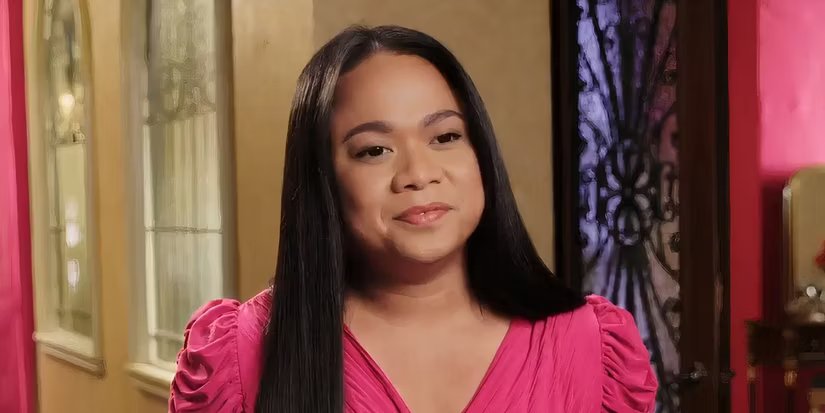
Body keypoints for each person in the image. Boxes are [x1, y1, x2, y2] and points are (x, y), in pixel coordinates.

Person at [169, 25, 657, 413]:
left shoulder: (589, 346)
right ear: (323, 181)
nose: (419, 174)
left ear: (481, 153)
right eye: (374, 150)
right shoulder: (242, 356)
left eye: (445, 137)